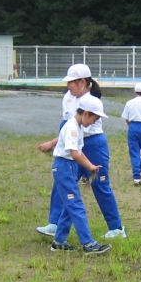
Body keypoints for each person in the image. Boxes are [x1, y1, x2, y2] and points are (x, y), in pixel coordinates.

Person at [37, 64, 126, 239]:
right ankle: (54, 224)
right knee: (62, 183)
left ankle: (116, 228)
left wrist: (53, 143)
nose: (68, 85)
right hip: (73, 145)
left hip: (92, 145)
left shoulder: (91, 102)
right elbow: (67, 127)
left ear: (82, 82)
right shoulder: (68, 98)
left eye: (71, 82)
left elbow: (79, 131)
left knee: (100, 184)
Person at [49, 94, 112, 255]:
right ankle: (88, 243)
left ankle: (59, 242)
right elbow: (74, 153)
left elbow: (79, 151)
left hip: (70, 167)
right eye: (94, 119)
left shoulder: (78, 127)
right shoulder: (72, 127)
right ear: (85, 114)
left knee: (69, 206)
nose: (94, 122)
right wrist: (87, 165)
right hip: (64, 167)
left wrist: (90, 166)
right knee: (76, 206)